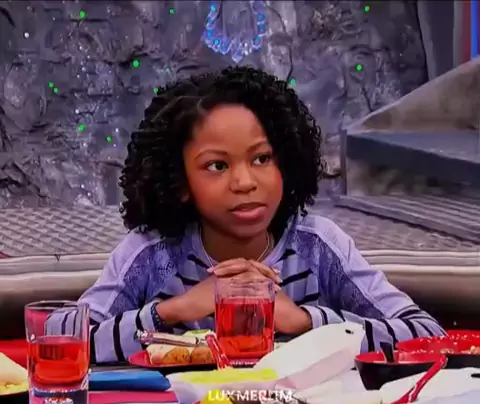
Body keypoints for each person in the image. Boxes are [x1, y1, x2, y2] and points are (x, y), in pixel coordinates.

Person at [78, 66, 446, 364]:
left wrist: (304, 321)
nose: (244, 182)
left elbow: (427, 335)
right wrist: (175, 310)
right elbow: (66, 338)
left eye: (262, 158)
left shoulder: (318, 247)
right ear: (179, 181)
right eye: (217, 165)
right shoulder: (151, 253)